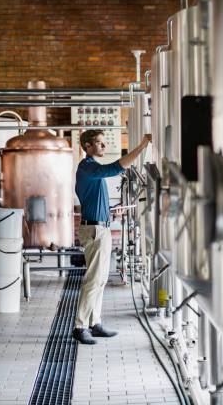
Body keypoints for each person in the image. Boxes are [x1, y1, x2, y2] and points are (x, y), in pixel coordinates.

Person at [73, 129, 151, 344]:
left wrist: (111, 210)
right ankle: (80, 327)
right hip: (94, 230)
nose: (103, 146)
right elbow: (116, 167)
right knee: (93, 280)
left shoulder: (92, 171)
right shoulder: (87, 167)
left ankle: (94, 323)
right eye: (99, 143)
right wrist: (143, 146)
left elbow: (95, 202)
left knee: (101, 280)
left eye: (103, 142)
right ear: (87, 146)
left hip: (101, 226)